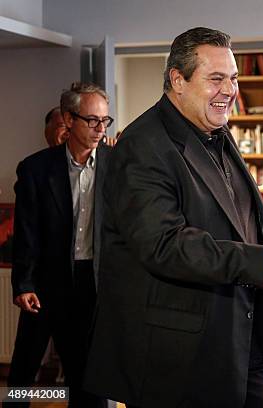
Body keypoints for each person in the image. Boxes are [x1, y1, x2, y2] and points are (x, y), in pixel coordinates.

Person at [83, 27, 263, 408]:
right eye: (216, 79)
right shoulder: (142, 145)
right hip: (182, 359)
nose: (229, 90)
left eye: (234, 78)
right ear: (178, 80)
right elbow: (164, 244)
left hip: (242, 340)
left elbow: (242, 223)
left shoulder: (217, 132)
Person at [9, 82, 112, 408]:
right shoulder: (36, 169)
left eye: (105, 121)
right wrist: (23, 283)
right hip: (44, 284)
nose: (99, 129)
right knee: (23, 372)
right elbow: (26, 231)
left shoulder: (118, 164)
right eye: (91, 120)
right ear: (69, 120)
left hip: (92, 283)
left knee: (87, 376)